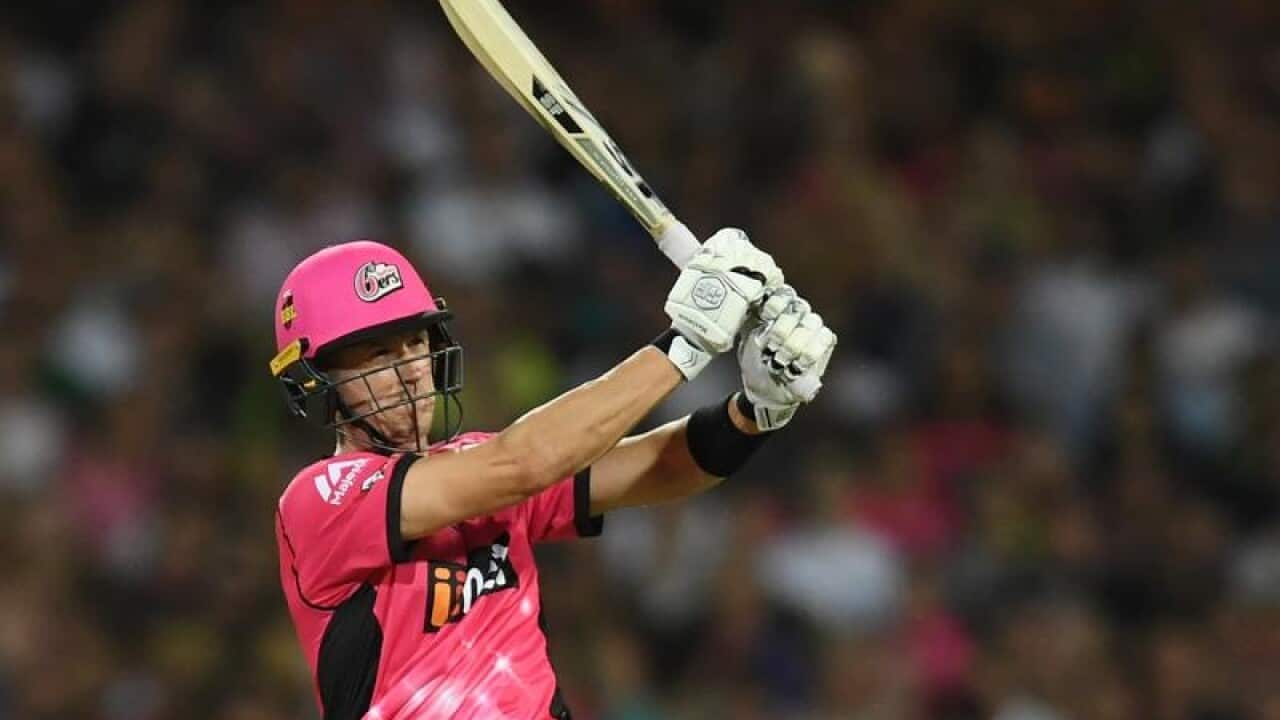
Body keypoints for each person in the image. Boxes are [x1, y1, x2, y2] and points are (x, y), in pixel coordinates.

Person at [268, 230, 836, 719]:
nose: (410, 371)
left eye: (415, 342)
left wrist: (757, 411)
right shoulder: (319, 500)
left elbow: (660, 467)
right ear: (318, 381)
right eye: (376, 355)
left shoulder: (481, 464)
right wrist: (685, 344)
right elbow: (521, 463)